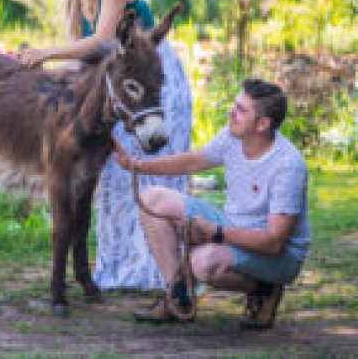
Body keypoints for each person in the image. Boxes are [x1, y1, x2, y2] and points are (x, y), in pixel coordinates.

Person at [16, 0, 192, 291]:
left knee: (154, 169)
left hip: (149, 81)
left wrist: (46, 54)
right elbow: (86, 62)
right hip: (117, 87)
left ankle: (160, 267)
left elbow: (102, 41)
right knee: (115, 174)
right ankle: (122, 266)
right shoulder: (76, 0)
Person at [113, 78, 310, 329]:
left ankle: (265, 289)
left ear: (262, 124)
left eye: (241, 110)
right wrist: (136, 165)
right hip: (232, 225)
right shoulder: (232, 137)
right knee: (152, 199)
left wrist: (215, 233)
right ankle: (178, 297)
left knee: (203, 262)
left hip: (279, 255)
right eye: (235, 105)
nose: (231, 112)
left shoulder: (287, 166)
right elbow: (194, 160)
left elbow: (274, 242)